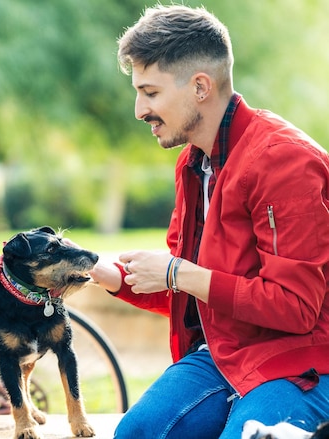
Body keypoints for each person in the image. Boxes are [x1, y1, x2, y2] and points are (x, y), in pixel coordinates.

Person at [89, 5, 329, 438]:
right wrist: (113, 278)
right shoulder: (193, 164)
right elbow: (193, 291)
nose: (139, 109)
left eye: (151, 92)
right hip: (223, 355)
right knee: (136, 433)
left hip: (303, 358)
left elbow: (295, 308)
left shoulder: (283, 161)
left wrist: (178, 273)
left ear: (200, 86)